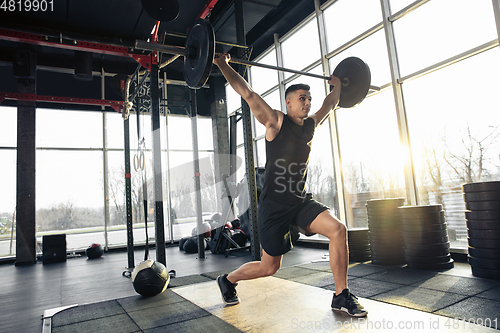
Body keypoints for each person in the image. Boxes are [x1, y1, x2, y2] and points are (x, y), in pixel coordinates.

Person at [213, 53, 367, 317]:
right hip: (273, 208)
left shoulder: (310, 126)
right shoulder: (275, 121)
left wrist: (339, 85)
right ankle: (228, 280)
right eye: (301, 99)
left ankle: (341, 295)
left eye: (309, 99)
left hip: (298, 201)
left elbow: (330, 104)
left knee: (338, 230)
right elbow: (248, 94)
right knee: (269, 267)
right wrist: (222, 65)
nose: (307, 103)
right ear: (289, 103)